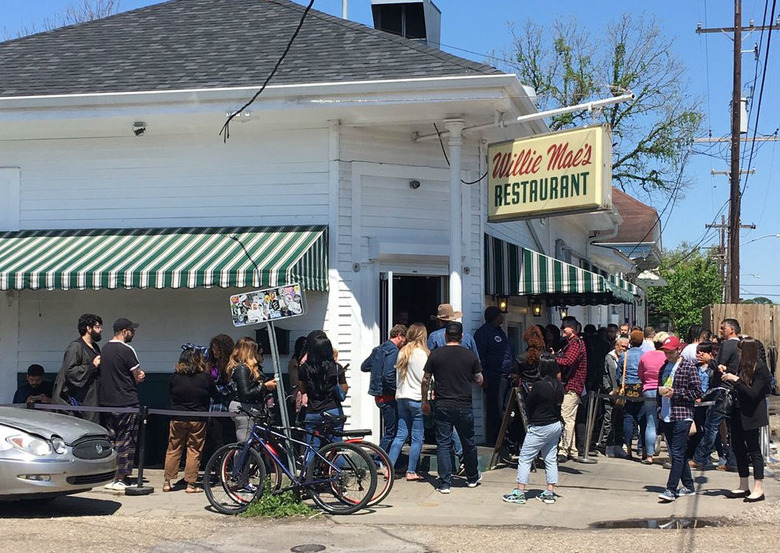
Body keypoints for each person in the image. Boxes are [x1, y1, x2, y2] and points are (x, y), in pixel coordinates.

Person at [421, 322, 484, 494]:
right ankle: (472, 477)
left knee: (443, 443)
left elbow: (426, 379)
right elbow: (479, 380)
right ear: (462, 336)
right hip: (464, 403)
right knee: (468, 441)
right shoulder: (470, 356)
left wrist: (425, 400)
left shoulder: (436, 355)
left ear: (446, 336)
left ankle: (444, 483)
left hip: (443, 403)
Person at [502, 354, 564, 505]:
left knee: (525, 458)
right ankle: (549, 492)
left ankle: (519, 492)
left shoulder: (539, 385)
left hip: (540, 426)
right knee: (550, 458)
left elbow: (528, 403)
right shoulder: (559, 385)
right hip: (555, 424)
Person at [720, 338, 771, 502]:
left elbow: (753, 393)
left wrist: (737, 381)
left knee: (754, 450)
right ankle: (743, 484)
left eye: (741, 352)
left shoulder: (761, 369)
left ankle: (758, 487)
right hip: (737, 412)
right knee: (738, 448)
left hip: (752, 414)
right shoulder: (742, 367)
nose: (739, 355)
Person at [99, 318, 146, 491]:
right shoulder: (127, 350)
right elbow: (137, 374)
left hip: (106, 401)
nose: (134, 333)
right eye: (132, 330)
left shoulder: (104, 348)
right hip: (126, 401)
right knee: (126, 438)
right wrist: (140, 377)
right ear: (125, 331)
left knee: (111, 438)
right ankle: (120, 476)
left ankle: (109, 474)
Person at [163, 347, 217, 493]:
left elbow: (170, 392)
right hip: (198, 418)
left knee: (173, 448)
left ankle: (167, 482)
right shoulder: (205, 377)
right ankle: (191, 484)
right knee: (194, 450)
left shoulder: (175, 376)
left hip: (177, 417)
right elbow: (214, 393)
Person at [657, 335, 702, 502]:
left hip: (683, 414)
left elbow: (697, 392)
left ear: (678, 350)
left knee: (676, 452)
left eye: (670, 352)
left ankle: (671, 488)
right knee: (677, 453)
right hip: (667, 414)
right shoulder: (664, 367)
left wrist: (676, 393)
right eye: (665, 352)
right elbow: (658, 389)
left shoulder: (688, 367)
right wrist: (660, 407)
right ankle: (689, 485)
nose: (667, 355)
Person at [387, 323, 429, 481]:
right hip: (417, 397)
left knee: (400, 435)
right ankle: (411, 471)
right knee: (417, 437)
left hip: (402, 397)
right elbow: (424, 379)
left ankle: (389, 467)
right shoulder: (422, 354)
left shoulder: (402, 352)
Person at [299, 331, 348, 460]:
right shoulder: (336, 368)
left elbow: (302, 389)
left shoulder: (305, 369)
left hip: (312, 412)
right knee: (336, 447)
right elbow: (344, 389)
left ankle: (308, 477)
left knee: (312, 447)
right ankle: (337, 476)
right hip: (332, 410)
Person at [361, 324, 406, 455]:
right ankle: (379, 459)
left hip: (378, 396)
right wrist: (397, 390)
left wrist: (377, 369)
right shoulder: (393, 351)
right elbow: (388, 375)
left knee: (389, 429)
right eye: (404, 339)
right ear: (399, 336)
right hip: (388, 396)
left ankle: (385, 458)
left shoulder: (378, 349)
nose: (404, 343)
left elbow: (364, 367)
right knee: (392, 432)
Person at [52, 313, 102, 423]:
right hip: (81, 402)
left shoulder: (95, 347)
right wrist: (92, 366)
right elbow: (70, 371)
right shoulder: (76, 347)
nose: (101, 330)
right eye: (98, 327)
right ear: (89, 328)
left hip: (95, 398)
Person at [474, 306, 513, 445]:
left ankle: (504, 437)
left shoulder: (499, 331)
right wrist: (484, 375)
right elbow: (480, 356)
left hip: (505, 376)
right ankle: (495, 440)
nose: (502, 317)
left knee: (504, 408)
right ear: (494, 317)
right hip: (493, 376)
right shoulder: (484, 333)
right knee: (495, 409)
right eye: (500, 315)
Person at [227, 336, 277, 442]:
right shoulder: (242, 368)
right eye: (255, 351)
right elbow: (245, 393)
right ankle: (240, 459)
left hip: (252, 407)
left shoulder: (251, 368)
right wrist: (265, 386)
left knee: (253, 443)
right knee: (245, 443)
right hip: (244, 408)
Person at [555, 316, 587, 461]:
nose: (562, 329)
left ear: (572, 329)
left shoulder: (575, 343)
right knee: (570, 418)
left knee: (566, 417)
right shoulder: (570, 344)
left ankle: (563, 449)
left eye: (564, 327)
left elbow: (568, 361)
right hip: (572, 386)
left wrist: (552, 358)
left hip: (573, 385)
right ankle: (573, 450)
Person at [636, 331, 669, 465]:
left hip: (648, 389)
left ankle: (649, 456)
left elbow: (641, 374)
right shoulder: (667, 357)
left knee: (650, 422)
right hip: (664, 390)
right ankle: (672, 455)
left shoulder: (645, 356)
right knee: (667, 421)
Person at [203, 334, 236, 465]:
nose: (214, 352)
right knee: (211, 439)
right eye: (213, 349)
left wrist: (214, 388)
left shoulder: (230, 365)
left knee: (221, 439)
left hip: (223, 407)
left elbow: (230, 388)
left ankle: (221, 468)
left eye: (217, 349)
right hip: (208, 406)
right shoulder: (211, 364)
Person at [616, 329, 645, 460]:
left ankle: (628, 449)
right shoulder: (645, 355)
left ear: (630, 341)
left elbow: (619, 374)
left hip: (628, 387)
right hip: (641, 388)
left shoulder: (624, 355)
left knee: (628, 418)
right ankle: (642, 449)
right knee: (642, 419)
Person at [599, 336, 628, 456]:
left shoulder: (627, 358)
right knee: (609, 420)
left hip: (623, 395)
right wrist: (610, 390)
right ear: (616, 345)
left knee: (621, 421)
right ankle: (608, 445)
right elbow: (605, 375)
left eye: (626, 347)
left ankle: (618, 445)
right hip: (611, 394)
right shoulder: (609, 357)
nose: (624, 349)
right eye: (622, 346)